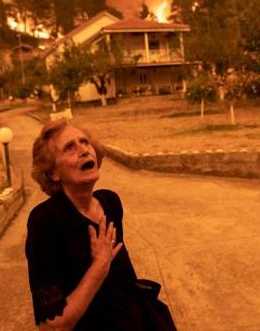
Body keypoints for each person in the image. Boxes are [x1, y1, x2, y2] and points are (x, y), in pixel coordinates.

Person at [25, 118, 176, 330]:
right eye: (70, 147)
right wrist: (98, 268)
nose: (84, 150)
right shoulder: (45, 222)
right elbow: (52, 325)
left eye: (85, 142)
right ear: (53, 172)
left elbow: (122, 284)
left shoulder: (110, 202)